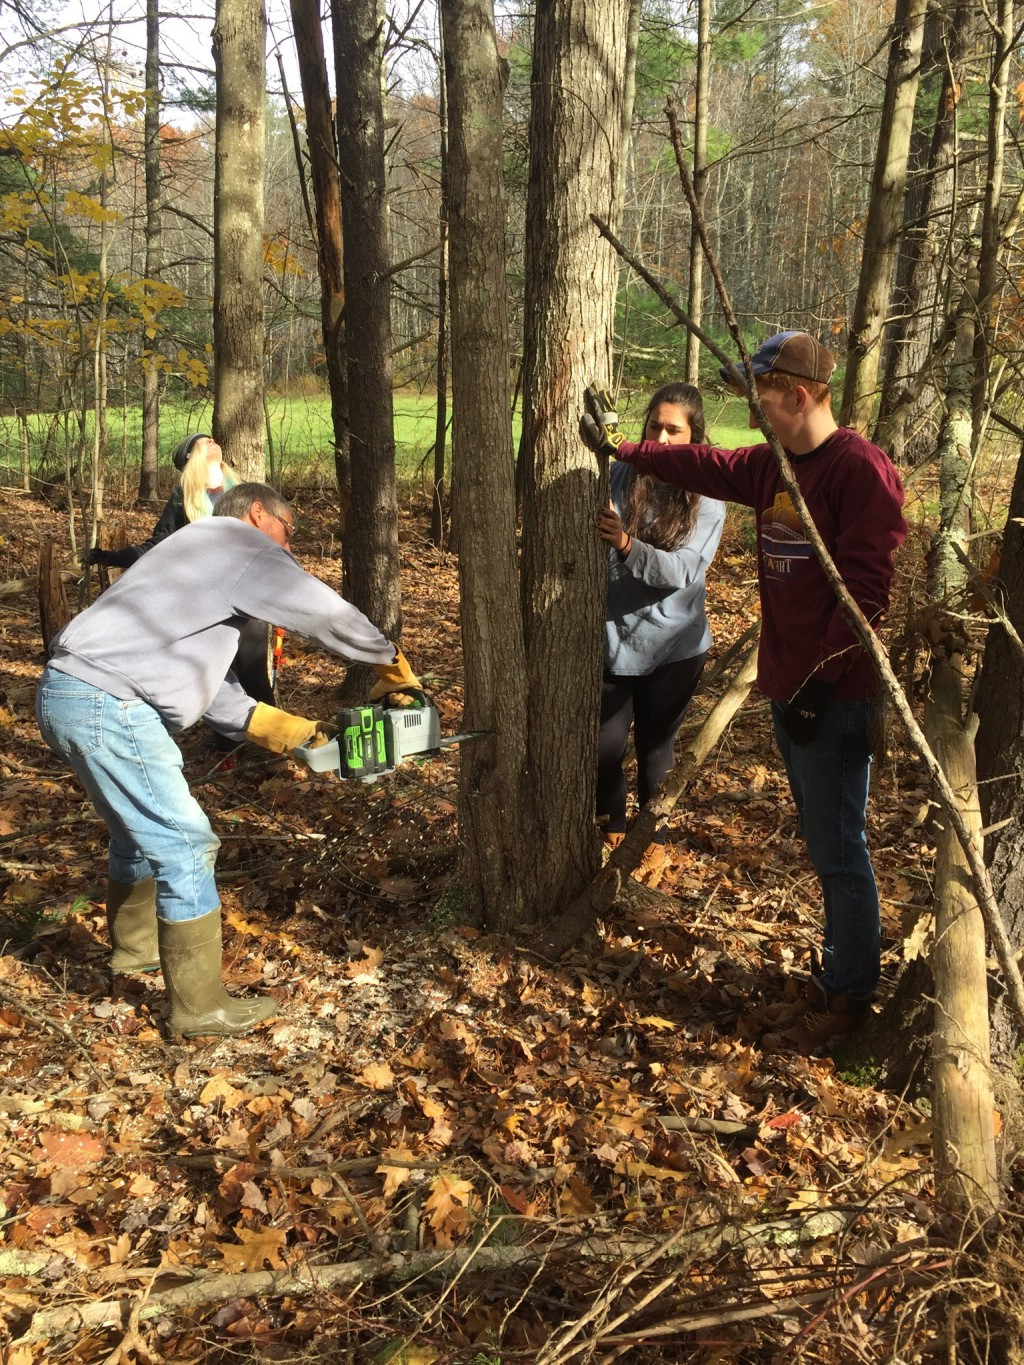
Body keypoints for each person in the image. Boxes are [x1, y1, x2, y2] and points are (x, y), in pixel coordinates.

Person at [581, 332, 908, 1045]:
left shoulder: (860, 471)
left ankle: (849, 1000)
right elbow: (705, 461)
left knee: (839, 850)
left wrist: (822, 684)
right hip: (791, 687)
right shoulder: (772, 467)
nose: (752, 414)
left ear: (797, 396)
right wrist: (622, 448)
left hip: (836, 696)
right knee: (827, 844)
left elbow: (868, 593)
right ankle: (836, 977)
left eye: (760, 399)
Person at [38, 482, 421, 1039]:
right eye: (287, 534)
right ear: (259, 514)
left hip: (70, 692)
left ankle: (135, 952)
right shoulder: (241, 545)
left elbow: (198, 679)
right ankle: (199, 1010)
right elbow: (324, 610)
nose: (287, 550)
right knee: (186, 845)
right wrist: (390, 664)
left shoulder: (189, 554)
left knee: (135, 835)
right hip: (111, 705)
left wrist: (284, 729)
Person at [596, 383, 725, 874]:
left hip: (675, 647)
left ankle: (651, 844)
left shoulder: (708, 493)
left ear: (695, 437)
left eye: (675, 430)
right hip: (613, 638)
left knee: (656, 751)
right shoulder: (622, 472)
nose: (664, 439)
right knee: (601, 750)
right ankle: (609, 833)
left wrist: (628, 546)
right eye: (655, 427)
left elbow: (684, 571)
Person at [88, 433, 278, 746]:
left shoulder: (244, 491)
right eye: (204, 442)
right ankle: (227, 746)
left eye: (215, 439)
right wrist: (111, 557)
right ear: (190, 456)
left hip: (249, 597)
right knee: (218, 677)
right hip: (206, 603)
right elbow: (157, 544)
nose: (214, 442)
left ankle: (271, 744)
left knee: (254, 673)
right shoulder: (184, 498)